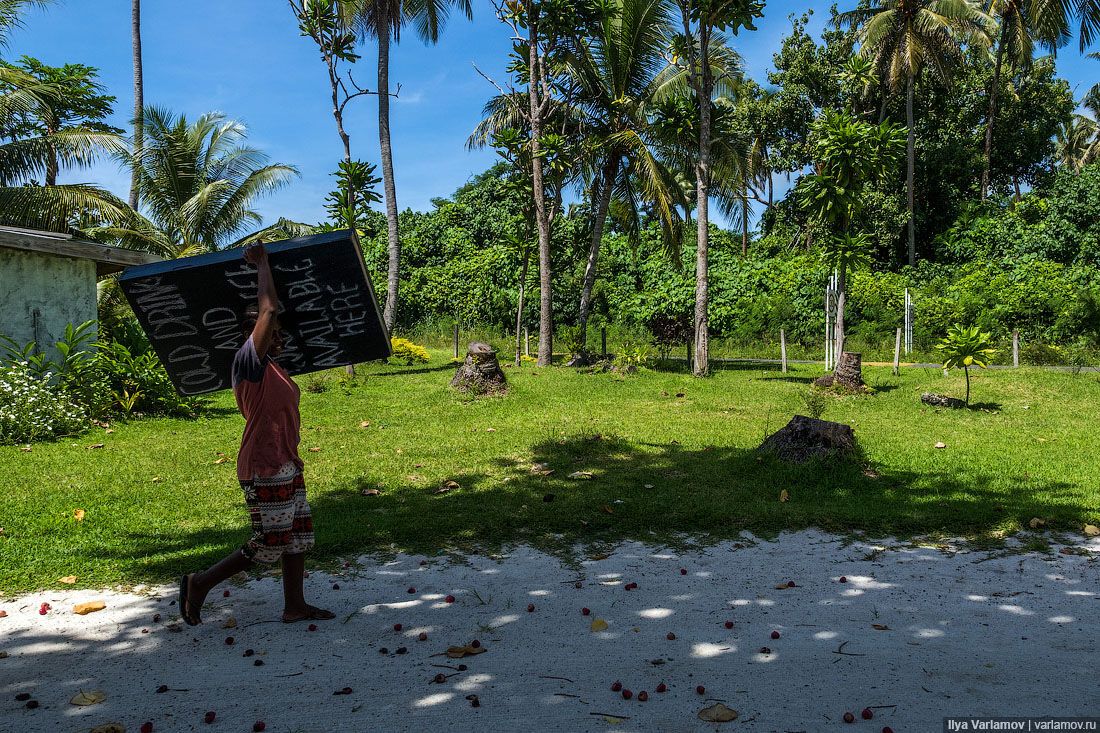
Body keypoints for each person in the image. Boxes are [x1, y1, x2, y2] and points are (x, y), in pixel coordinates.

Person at [179, 241, 334, 625]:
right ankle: (200, 583)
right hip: (263, 465)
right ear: (251, 332)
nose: (276, 335)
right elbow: (268, 307)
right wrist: (262, 264)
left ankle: (294, 606)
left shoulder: (274, 367)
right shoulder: (248, 361)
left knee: (297, 536)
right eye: (269, 330)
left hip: (285, 462)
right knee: (270, 541)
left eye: (278, 331)